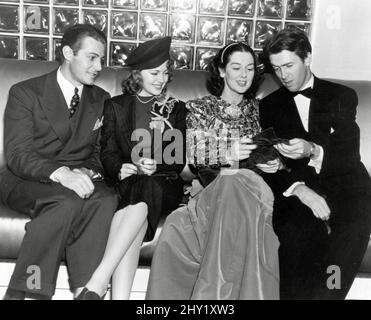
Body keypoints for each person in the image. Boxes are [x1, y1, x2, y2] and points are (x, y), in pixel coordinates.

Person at [146, 42, 281, 300]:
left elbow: (274, 148)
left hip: (254, 192)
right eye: (236, 67)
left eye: (250, 69)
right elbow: (194, 154)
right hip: (212, 192)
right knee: (225, 186)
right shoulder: (199, 108)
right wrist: (228, 153)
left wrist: (275, 163)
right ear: (221, 71)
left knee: (238, 181)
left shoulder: (262, 109)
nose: (243, 75)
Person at [0, 24, 118, 300]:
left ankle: (86, 291)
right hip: (25, 178)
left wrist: (87, 171)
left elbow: (102, 153)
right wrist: (62, 174)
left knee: (105, 199)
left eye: (102, 59)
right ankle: (27, 292)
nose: (99, 66)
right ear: (68, 53)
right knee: (65, 202)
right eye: (92, 57)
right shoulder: (25, 92)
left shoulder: (102, 99)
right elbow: (18, 155)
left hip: (79, 175)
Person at [259, 28, 371, 299]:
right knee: (295, 234)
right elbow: (266, 162)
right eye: (276, 68)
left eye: (289, 65)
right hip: (299, 192)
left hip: (347, 187)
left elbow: (348, 155)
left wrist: (313, 150)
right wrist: (298, 188)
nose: (283, 76)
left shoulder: (342, 96)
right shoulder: (268, 106)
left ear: (307, 58)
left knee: (349, 235)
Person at [78, 36, 187, 300]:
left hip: (164, 183)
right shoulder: (116, 106)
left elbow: (178, 158)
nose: (161, 79)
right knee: (136, 206)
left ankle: (98, 281)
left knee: (143, 191)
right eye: (154, 73)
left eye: (165, 73)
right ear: (137, 74)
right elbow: (108, 151)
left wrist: (157, 163)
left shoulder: (176, 109)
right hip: (128, 183)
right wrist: (121, 167)